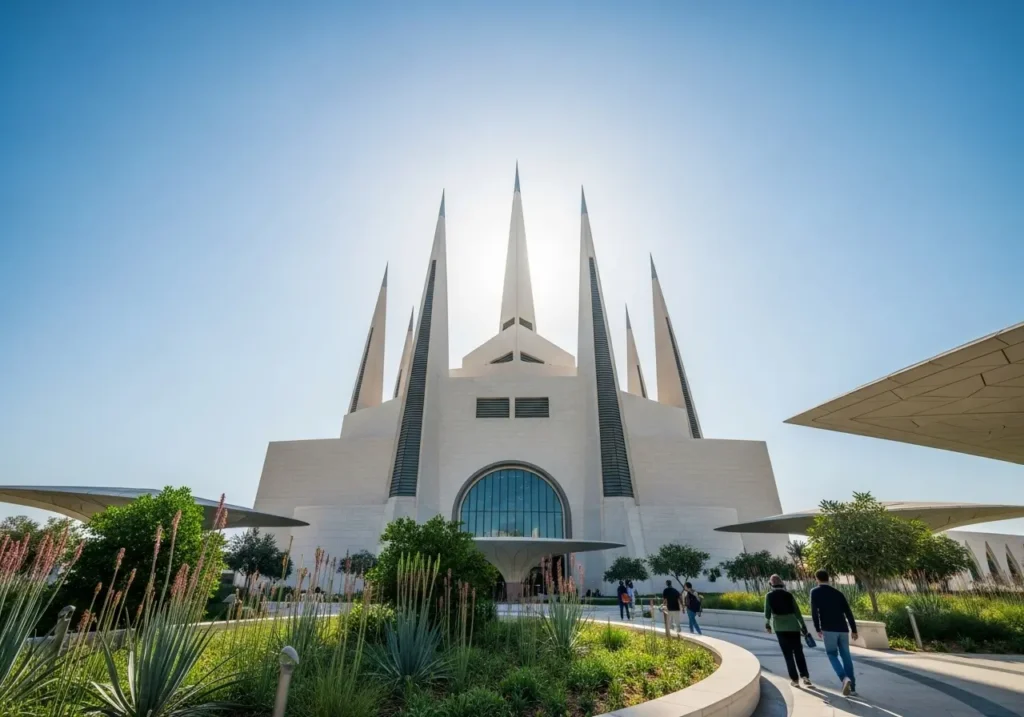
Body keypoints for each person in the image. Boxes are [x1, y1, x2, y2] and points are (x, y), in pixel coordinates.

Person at [810, 569, 858, 696]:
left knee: (831, 654)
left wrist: (817, 628)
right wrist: (854, 629)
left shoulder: (815, 592)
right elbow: (848, 612)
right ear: (828, 578)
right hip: (843, 629)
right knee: (846, 656)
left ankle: (844, 678)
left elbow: (814, 612)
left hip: (828, 629)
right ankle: (852, 687)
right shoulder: (838, 593)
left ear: (817, 579)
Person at [764, 574, 812, 687]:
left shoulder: (769, 596)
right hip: (793, 626)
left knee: (788, 654)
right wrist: (803, 626)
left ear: (771, 584)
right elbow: (797, 611)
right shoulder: (789, 595)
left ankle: (795, 680)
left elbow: (767, 612)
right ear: (782, 584)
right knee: (798, 652)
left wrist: (767, 625)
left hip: (780, 628)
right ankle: (805, 677)